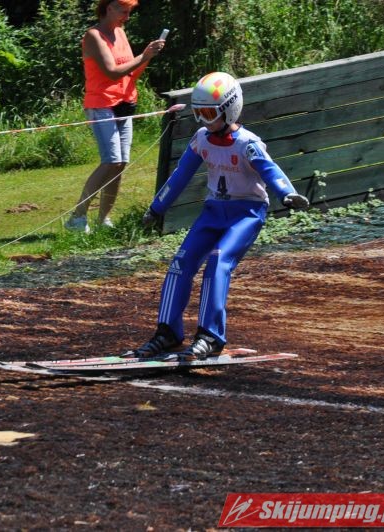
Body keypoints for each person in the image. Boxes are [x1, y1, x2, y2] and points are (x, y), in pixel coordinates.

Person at [129, 71, 309, 360]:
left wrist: (286, 193)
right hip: (213, 211)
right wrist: (157, 207)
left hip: (246, 213)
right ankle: (167, 332)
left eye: (209, 114)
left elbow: (269, 170)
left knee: (218, 261)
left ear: (229, 109)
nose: (204, 121)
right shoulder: (202, 139)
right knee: (180, 263)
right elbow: (180, 175)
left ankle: (210, 336)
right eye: (198, 113)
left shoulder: (247, 143)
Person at [64, 0, 166, 234]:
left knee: (120, 164)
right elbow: (112, 72)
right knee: (110, 160)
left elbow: (131, 72)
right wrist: (143, 55)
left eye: (129, 12)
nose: (126, 17)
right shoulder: (93, 36)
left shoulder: (120, 33)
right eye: (123, 11)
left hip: (124, 103)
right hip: (101, 104)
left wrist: (148, 57)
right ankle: (77, 218)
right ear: (109, 7)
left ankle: (104, 220)